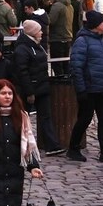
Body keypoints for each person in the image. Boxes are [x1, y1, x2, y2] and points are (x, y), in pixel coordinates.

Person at [67, 11, 103, 163]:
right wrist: (81, 89)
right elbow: (76, 67)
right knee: (84, 119)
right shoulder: (82, 41)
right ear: (95, 25)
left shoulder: (102, 40)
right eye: (102, 23)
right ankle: (73, 148)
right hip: (90, 88)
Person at [13, 20, 64, 155]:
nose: (42, 33)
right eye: (39, 30)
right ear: (32, 32)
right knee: (23, 118)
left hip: (42, 86)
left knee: (46, 116)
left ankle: (52, 145)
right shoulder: (22, 49)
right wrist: (29, 92)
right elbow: (22, 72)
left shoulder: (37, 46)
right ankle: (18, 144)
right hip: (29, 89)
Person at [46, 0, 73, 76]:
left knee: (57, 64)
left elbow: (51, 20)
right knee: (65, 64)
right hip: (68, 37)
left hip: (57, 38)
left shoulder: (57, 6)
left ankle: (59, 86)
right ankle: (67, 85)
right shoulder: (69, 5)